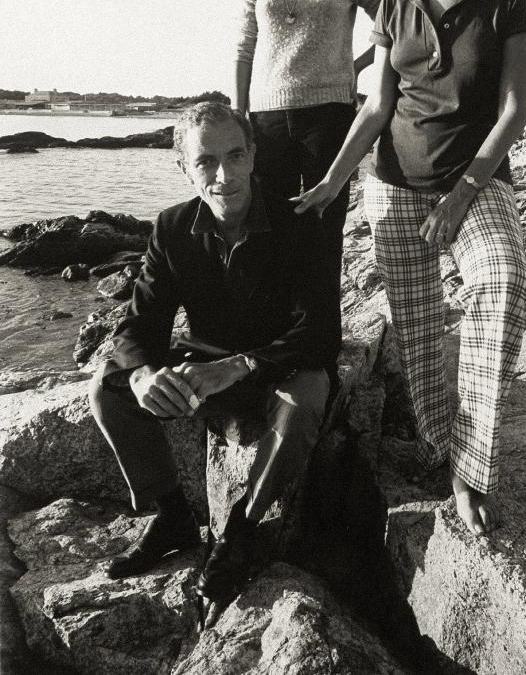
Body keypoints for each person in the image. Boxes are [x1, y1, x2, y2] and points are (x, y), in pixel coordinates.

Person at [293, 0, 526, 536]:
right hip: (395, 185)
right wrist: (333, 180)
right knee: (422, 338)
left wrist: (463, 194)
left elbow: (515, 109)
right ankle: (445, 443)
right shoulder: (396, 3)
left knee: (503, 284)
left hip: (476, 179)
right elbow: (376, 108)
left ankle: (469, 466)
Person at [89, 101, 339, 610]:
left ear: (253, 156)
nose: (223, 175)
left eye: (235, 156)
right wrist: (141, 376)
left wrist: (237, 366)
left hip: (275, 361)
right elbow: (140, 323)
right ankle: (172, 513)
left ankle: (242, 529)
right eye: (205, 161)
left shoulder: (300, 223)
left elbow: (319, 333)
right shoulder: (173, 227)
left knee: (306, 399)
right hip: (204, 359)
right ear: (184, 167)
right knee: (107, 387)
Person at [233, 0, 386, 343]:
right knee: (268, 232)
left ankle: (320, 350)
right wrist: (240, 116)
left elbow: (396, 18)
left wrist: (358, 66)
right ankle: (273, 345)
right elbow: (244, 46)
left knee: (322, 233)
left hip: (330, 116)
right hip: (267, 118)